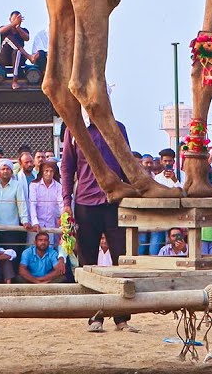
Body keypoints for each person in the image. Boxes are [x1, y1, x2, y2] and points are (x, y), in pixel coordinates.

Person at [61, 121, 136, 333]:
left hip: (114, 202)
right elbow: (67, 167)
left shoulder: (117, 127)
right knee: (88, 264)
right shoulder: (73, 129)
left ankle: (122, 318)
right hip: (85, 202)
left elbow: (127, 164)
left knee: (122, 261)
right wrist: (66, 202)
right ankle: (95, 317)